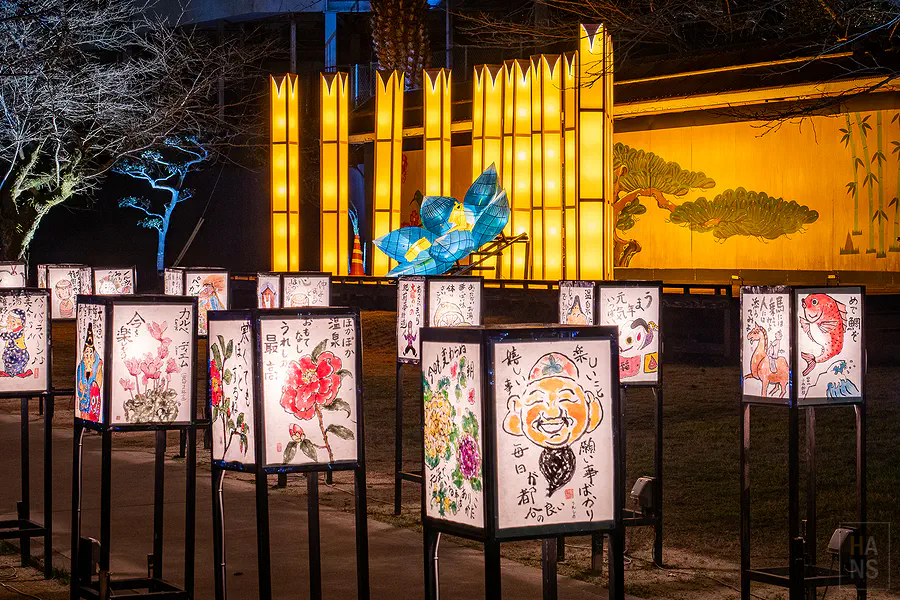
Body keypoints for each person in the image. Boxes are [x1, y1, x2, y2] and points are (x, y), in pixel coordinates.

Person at [76, 323, 103, 422]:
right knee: (84, 414)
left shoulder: (96, 365)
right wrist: (81, 387)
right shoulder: (81, 366)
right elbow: (79, 381)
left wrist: (99, 369)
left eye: (90, 352)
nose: (88, 355)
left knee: (92, 414)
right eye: (86, 352)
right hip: (83, 397)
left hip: (92, 397)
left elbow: (98, 382)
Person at [0, 309, 32, 378]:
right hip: (9, 351)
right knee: (7, 359)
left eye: (13, 322)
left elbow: (12, 336)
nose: (10, 324)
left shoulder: (19, 330)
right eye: (9, 321)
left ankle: (19, 372)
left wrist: (4, 334)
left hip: (19, 351)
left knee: (18, 361)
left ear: (20, 323)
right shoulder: (10, 330)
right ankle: (8, 372)